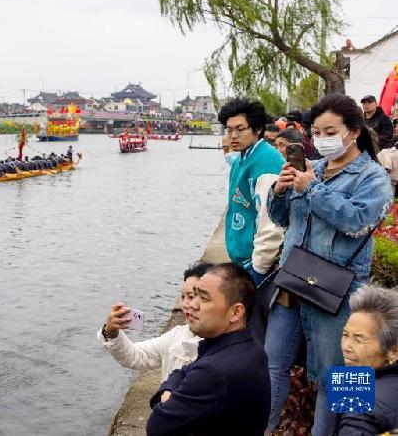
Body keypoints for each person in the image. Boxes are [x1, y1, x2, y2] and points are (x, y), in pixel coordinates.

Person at [267, 94, 393, 435]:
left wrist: (312, 189)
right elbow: (283, 221)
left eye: (329, 131)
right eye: (315, 132)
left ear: (353, 131)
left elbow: (357, 222)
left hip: (340, 293)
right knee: (271, 364)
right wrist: (280, 191)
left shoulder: (373, 178)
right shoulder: (313, 168)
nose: (321, 139)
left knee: (339, 379)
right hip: (292, 283)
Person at [146, 263, 270, 435]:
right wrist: (170, 391)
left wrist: (166, 397)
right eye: (194, 295)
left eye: (204, 299)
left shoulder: (214, 371)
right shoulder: (249, 348)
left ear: (235, 312)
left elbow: (157, 427)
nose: (193, 305)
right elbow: (180, 372)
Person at [99, 262, 209, 382]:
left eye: (192, 296)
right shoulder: (178, 335)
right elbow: (137, 356)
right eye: (183, 297)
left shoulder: (224, 351)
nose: (185, 304)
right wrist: (111, 331)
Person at [217, 97, 285, 283]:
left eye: (240, 129)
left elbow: (271, 221)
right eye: (229, 130)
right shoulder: (241, 159)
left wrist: (259, 269)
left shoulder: (266, 161)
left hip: (257, 266)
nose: (233, 136)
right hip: (241, 261)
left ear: (258, 129)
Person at [333, 285, 398, 435]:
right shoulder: (354, 376)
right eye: (345, 334)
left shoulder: (359, 413)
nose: (346, 347)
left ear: (393, 351)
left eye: (359, 339)